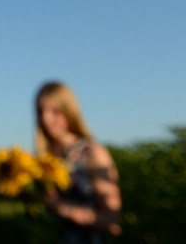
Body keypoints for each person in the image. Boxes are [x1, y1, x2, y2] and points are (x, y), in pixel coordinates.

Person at [35, 81, 122, 243]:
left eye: (55, 111)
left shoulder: (92, 153)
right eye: (41, 111)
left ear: (69, 110)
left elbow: (111, 221)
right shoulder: (41, 159)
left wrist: (60, 208)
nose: (45, 118)